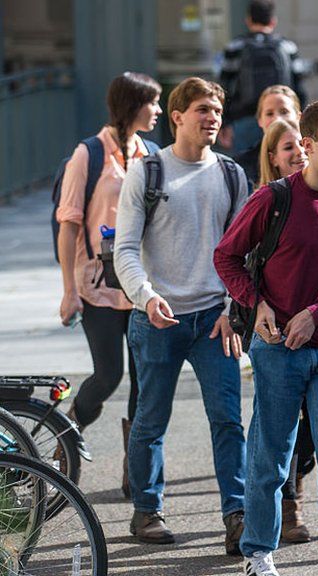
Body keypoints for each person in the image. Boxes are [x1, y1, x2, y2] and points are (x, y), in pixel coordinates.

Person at [215, 99, 318, 576]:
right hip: (277, 350)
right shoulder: (274, 199)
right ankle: (258, 552)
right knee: (271, 454)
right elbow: (226, 257)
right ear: (308, 146)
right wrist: (257, 303)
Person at [114, 77, 248, 553]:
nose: (212, 117)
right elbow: (125, 249)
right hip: (156, 319)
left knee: (228, 420)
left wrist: (234, 309)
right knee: (151, 419)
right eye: (202, 109)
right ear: (177, 116)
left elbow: (242, 255)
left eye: (217, 110)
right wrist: (146, 296)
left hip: (214, 320)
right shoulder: (148, 172)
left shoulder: (232, 174)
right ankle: (146, 512)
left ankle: (237, 514)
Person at [56, 71, 162, 499]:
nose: (157, 111)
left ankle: (134, 473)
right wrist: (68, 290)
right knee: (108, 374)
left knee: (144, 382)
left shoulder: (151, 153)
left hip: (138, 286)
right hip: (97, 285)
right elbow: (68, 224)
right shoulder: (89, 153)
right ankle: (66, 427)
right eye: (151, 103)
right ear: (132, 105)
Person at [218, 0, 308, 154]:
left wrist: (225, 122)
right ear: (273, 21)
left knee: (245, 171)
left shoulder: (235, 46)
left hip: (244, 120)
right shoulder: (287, 47)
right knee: (282, 166)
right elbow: (299, 87)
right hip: (282, 119)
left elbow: (225, 86)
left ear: (248, 20)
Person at [237, 85, 303, 186]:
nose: (277, 119)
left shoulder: (315, 155)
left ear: (299, 117)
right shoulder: (241, 167)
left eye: (284, 112)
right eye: (269, 114)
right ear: (259, 120)